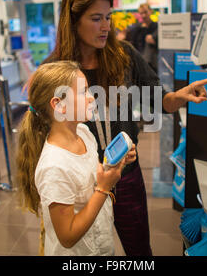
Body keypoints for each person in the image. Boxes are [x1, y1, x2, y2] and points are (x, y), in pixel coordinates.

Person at [42, 0, 207, 256]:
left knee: (139, 252)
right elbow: (46, 133)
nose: (105, 26)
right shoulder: (55, 70)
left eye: (108, 17)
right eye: (96, 18)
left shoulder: (124, 56)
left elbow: (161, 101)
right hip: (82, 184)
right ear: (73, 21)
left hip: (126, 178)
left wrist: (180, 96)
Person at [16, 61, 137, 255]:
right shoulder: (54, 167)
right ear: (59, 105)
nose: (91, 98)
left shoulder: (84, 133)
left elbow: (90, 178)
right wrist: (104, 189)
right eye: (83, 92)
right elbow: (67, 237)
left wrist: (116, 166)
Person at [124, 3, 159, 72]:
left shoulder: (156, 27)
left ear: (151, 11)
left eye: (145, 12)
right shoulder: (136, 28)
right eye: (141, 13)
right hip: (138, 63)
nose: (143, 15)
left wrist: (154, 41)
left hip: (152, 64)